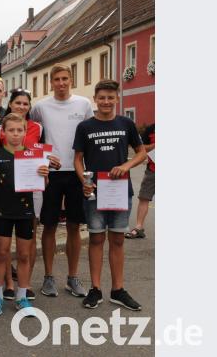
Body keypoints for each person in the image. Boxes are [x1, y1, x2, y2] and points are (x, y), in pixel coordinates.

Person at [73, 80, 146, 311]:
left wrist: (126, 166)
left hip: (120, 190)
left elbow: (142, 153)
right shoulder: (85, 127)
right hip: (95, 192)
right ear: (95, 99)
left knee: (117, 240)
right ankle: (95, 289)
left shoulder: (126, 123)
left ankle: (118, 289)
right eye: (102, 97)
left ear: (117, 98)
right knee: (96, 239)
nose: (106, 101)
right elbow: (78, 159)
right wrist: (84, 181)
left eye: (110, 97)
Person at [31, 64, 93, 298]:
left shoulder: (84, 104)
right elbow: (34, 138)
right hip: (51, 174)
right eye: (57, 79)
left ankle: (72, 277)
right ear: (51, 82)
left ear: (71, 80)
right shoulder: (40, 107)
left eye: (65, 78)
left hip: (77, 172)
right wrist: (46, 157)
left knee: (75, 226)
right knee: (49, 225)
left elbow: (88, 136)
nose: (61, 83)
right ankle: (48, 277)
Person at [0, 89, 60, 300]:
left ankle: (26, 284)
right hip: (7, 192)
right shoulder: (0, 129)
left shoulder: (38, 128)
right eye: (18, 103)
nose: (22, 107)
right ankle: (8, 285)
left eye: (25, 104)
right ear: (10, 104)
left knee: (28, 239)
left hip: (30, 188)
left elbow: (43, 153)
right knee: (3, 249)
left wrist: (48, 165)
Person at [0, 114, 49, 316]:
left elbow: (43, 185)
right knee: (2, 254)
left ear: (25, 132)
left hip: (25, 211)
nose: (15, 134)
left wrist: (44, 176)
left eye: (19, 130)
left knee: (23, 255)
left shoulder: (32, 155)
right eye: (11, 130)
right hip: (4, 211)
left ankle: (22, 296)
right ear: (3, 132)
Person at [126, 123, 154, 239]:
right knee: (144, 197)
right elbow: (140, 148)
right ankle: (139, 227)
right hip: (153, 171)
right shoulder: (151, 129)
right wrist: (154, 145)